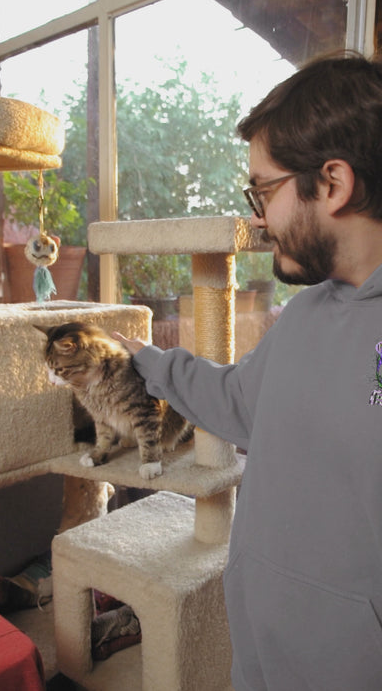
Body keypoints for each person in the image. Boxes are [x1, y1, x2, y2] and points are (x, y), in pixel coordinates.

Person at [114, 52, 382, 691]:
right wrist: (144, 360)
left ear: (334, 183)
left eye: (264, 190)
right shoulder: (304, 313)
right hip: (261, 652)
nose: (257, 219)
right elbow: (238, 401)